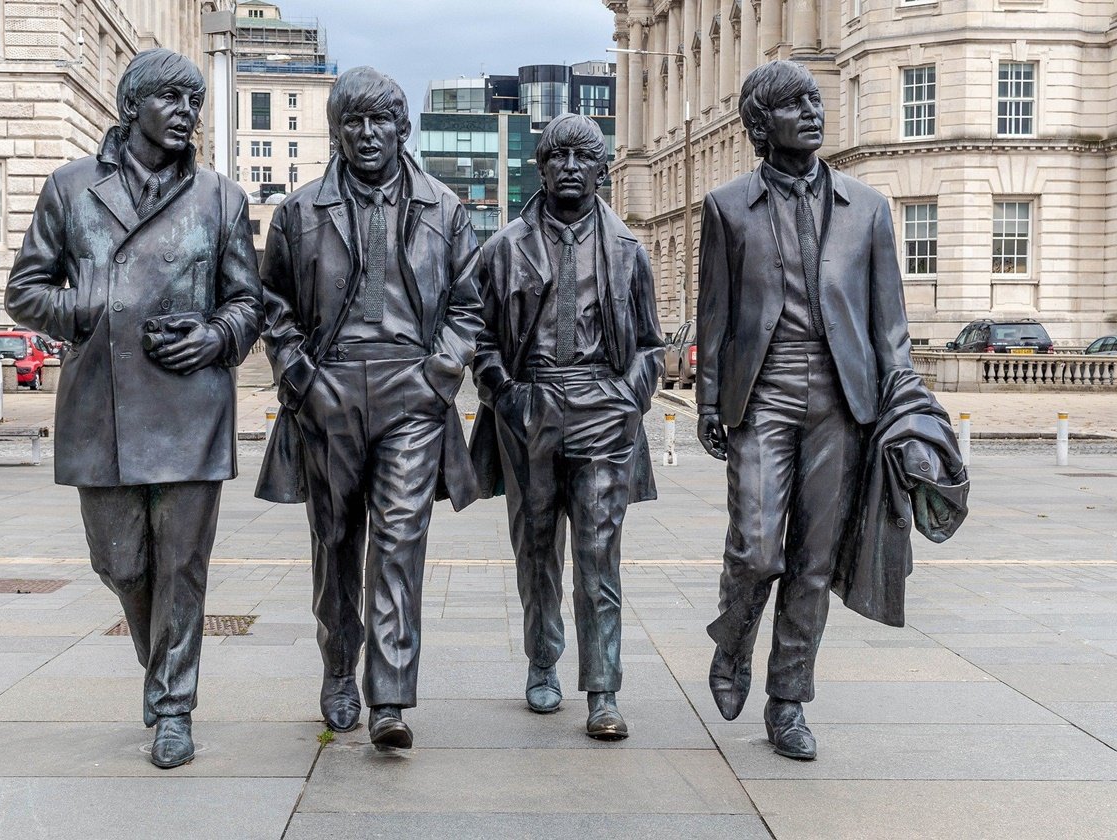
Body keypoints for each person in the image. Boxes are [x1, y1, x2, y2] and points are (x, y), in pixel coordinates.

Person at [5, 49, 262, 768]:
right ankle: (162, 671)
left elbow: (250, 302)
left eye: (195, 101)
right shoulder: (71, 188)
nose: (187, 112)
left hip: (192, 404)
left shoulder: (220, 197)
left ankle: (175, 707)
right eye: (173, 99)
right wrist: (86, 306)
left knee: (182, 566)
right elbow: (24, 291)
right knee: (120, 563)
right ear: (131, 108)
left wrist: (216, 334)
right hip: (102, 408)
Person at [254, 66, 482, 750]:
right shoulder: (298, 212)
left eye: (379, 120)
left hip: (411, 392)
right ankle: (336, 666)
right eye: (351, 122)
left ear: (402, 127)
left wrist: (437, 374)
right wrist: (301, 379)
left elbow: (470, 306)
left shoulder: (446, 209)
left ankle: (390, 696)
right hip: (328, 390)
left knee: (400, 543)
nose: (366, 134)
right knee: (335, 542)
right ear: (337, 131)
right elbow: (274, 308)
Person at [695, 60, 914, 760]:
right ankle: (732, 639)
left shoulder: (869, 208)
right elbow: (716, 314)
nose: (813, 112)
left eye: (814, 100)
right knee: (757, 549)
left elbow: (891, 327)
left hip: (841, 402)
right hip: (762, 392)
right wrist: (707, 400)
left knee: (812, 560)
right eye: (793, 105)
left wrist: (901, 406)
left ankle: (788, 700)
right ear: (761, 126)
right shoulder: (727, 207)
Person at [468, 113, 664, 740]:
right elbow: (478, 334)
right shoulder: (502, 248)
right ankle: (542, 660)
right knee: (536, 550)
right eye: (559, 157)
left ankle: (603, 688)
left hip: (602, 408)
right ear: (541, 167)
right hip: (533, 407)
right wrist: (506, 393)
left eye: (584, 157)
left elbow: (652, 346)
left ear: (602, 169)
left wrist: (626, 397)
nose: (571, 167)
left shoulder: (629, 250)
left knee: (598, 555)